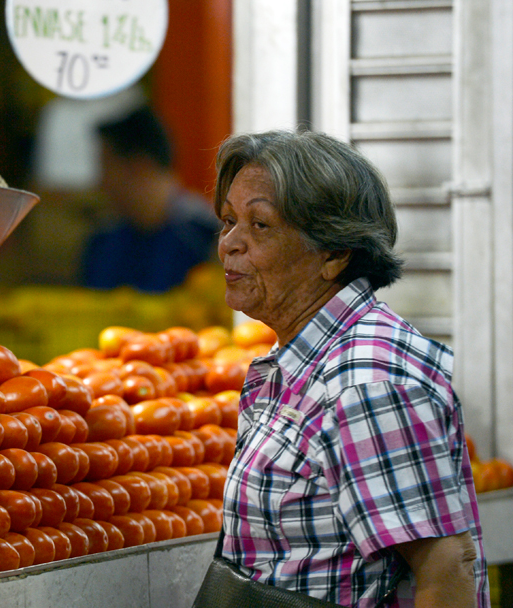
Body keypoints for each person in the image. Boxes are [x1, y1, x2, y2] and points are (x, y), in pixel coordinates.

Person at [211, 129, 488, 607]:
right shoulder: (303, 363)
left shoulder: (366, 384)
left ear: (335, 253)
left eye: (260, 226)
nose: (229, 244)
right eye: (229, 221)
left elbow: (446, 572)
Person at [80, 106, 221, 292]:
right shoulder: (102, 244)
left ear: (140, 167)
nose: (101, 183)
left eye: (107, 167)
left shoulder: (209, 241)